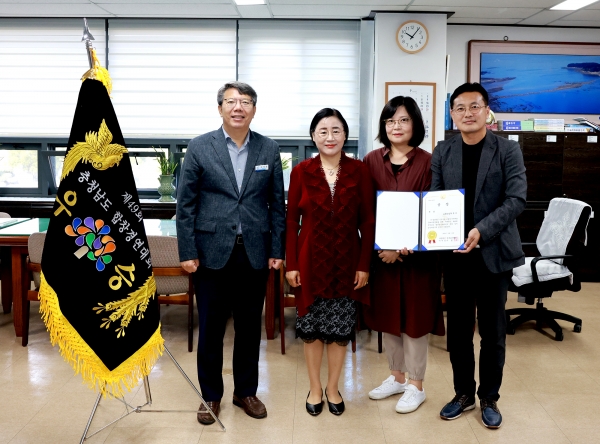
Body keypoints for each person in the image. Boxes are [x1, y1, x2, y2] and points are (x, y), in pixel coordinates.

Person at [176, 81, 286, 425]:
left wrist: (277, 249)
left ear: (254, 109)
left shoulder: (268, 148)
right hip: (210, 253)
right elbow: (185, 204)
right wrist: (187, 250)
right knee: (211, 329)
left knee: (249, 328)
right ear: (220, 108)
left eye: (246, 102)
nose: (239, 107)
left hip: (254, 252)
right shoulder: (199, 146)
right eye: (231, 101)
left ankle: (245, 392)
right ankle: (211, 395)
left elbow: (277, 205)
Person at [433, 82, 526, 429]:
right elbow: (436, 199)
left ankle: (489, 397)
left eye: (474, 106)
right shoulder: (443, 151)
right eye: (460, 107)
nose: (467, 113)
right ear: (452, 114)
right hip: (456, 254)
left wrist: (481, 230)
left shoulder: (507, 150)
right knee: (458, 331)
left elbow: (516, 200)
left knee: (493, 331)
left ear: (487, 111)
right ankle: (463, 394)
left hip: (493, 253)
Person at [285, 108, 375, 417]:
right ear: (313, 136)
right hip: (309, 262)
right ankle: (314, 388)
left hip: (348, 262)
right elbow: (291, 221)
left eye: (336, 130)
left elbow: (368, 220)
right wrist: (291, 264)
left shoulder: (359, 170)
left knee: (339, 329)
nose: (330, 137)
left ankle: (334, 388)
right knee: (311, 328)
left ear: (345, 135)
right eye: (323, 131)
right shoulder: (301, 171)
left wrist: (364, 265)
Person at [362, 96, 445, 414]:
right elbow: (365, 209)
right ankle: (396, 378)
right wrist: (383, 248)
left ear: (415, 125)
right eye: (390, 121)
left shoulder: (429, 162)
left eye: (403, 120)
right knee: (389, 319)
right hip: (382, 258)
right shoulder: (371, 160)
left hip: (418, 259)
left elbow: (433, 210)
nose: (396, 126)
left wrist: (402, 248)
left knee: (414, 321)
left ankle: (416, 385)